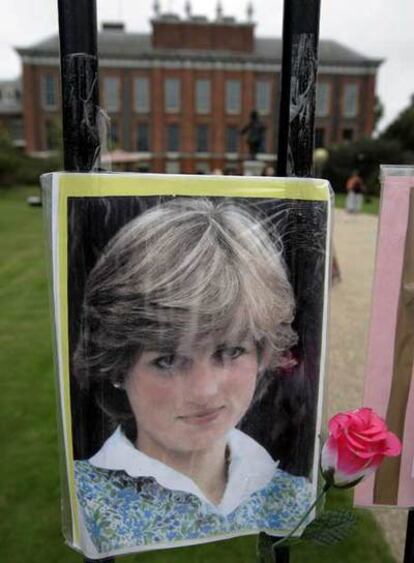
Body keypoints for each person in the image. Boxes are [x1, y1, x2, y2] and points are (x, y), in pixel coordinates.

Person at [73, 198, 313, 556]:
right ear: (118, 366)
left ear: (263, 353)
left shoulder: (292, 495)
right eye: (168, 360)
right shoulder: (86, 500)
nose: (204, 390)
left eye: (230, 352)